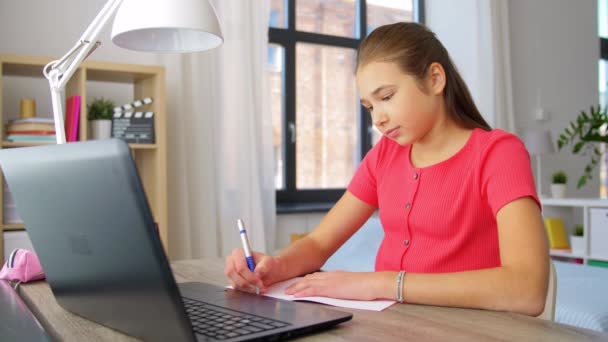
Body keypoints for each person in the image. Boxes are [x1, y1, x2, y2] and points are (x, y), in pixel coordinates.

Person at [225, 22, 549, 316]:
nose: (377, 119)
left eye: (387, 97)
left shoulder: (498, 154)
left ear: (435, 79)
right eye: (369, 106)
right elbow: (319, 244)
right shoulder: (384, 157)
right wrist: (274, 266)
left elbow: (527, 289)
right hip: (389, 327)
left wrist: (380, 284)